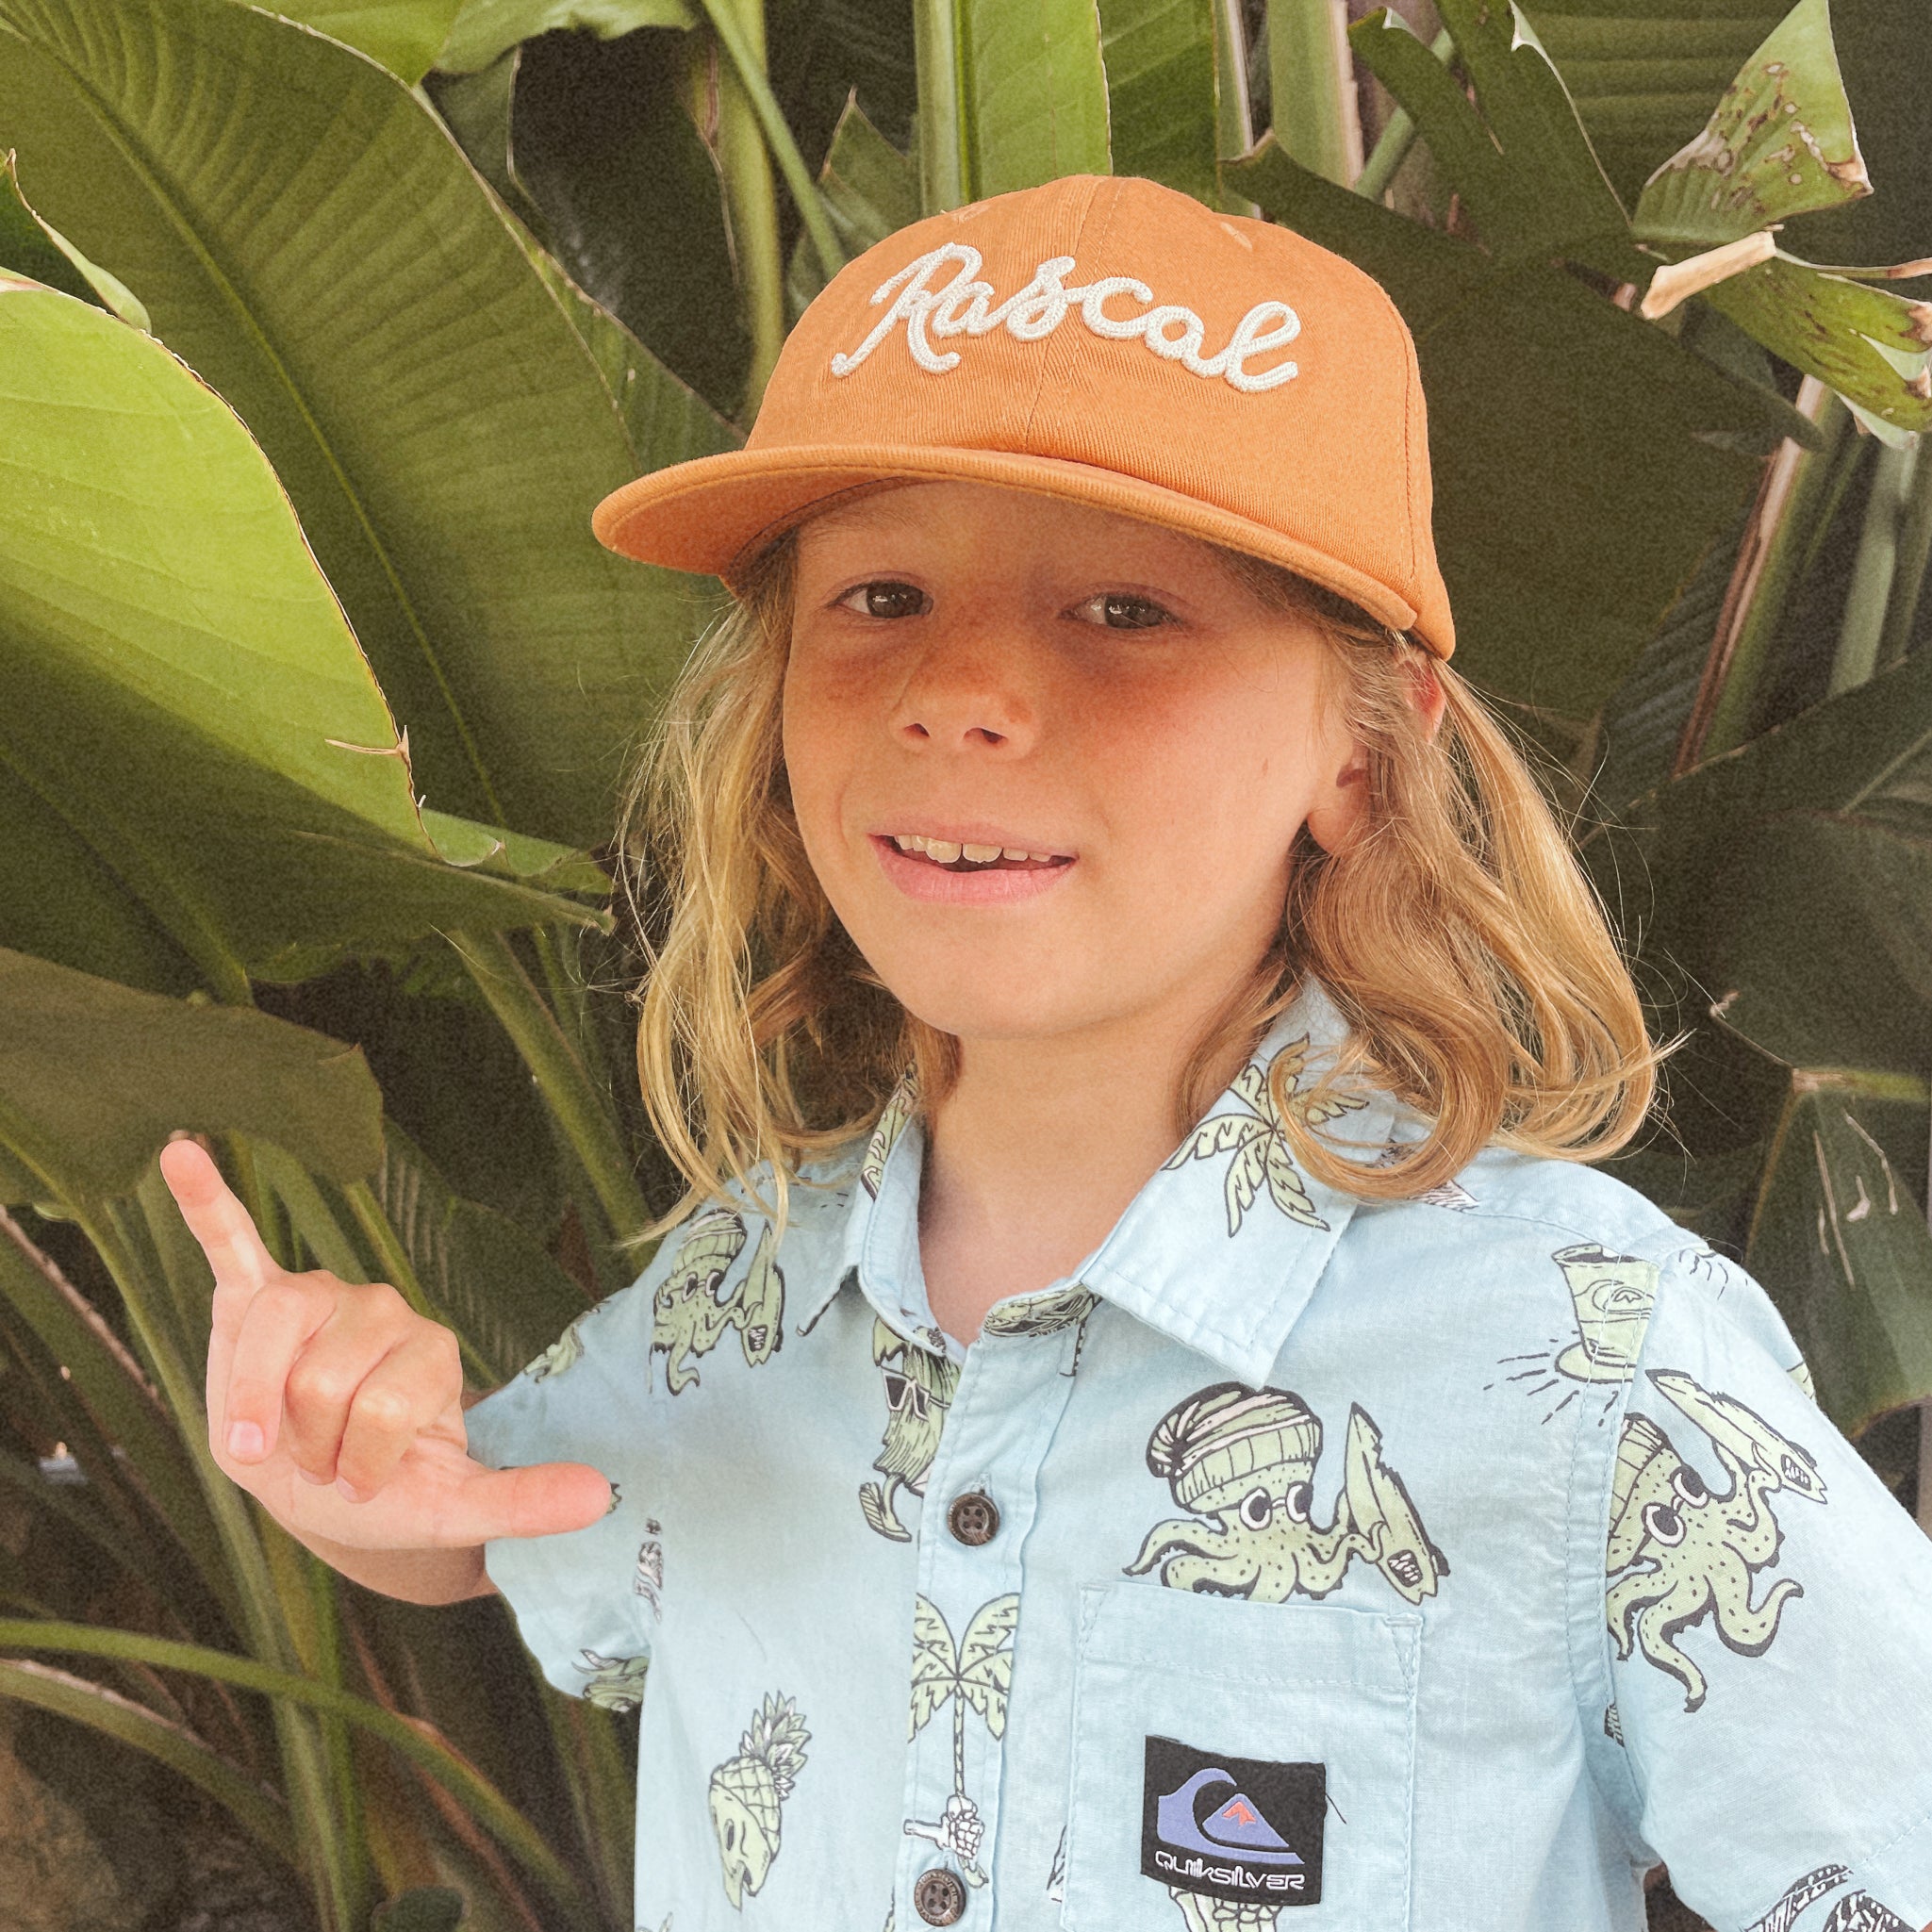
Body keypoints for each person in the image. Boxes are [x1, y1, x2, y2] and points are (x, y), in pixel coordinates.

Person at [159, 173, 1932, 1932]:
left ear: (1366, 755)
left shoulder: (1589, 1362)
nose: (960, 692)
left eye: (1123, 611)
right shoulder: (744, 1290)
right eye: (877, 599)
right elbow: (500, 1525)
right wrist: (336, 1454)